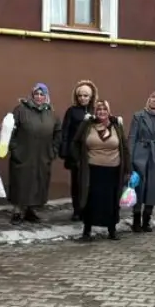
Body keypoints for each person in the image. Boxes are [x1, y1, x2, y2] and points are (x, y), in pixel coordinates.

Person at [68, 99, 132, 242]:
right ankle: (87, 231)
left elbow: (125, 148)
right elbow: (75, 143)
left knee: (111, 201)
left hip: (113, 171)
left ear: (109, 111)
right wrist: (79, 161)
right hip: (92, 170)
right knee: (90, 200)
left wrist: (128, 168)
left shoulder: (117, 125)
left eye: (104, 109)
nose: (101, 112)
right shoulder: (87, 125)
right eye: (99, 109)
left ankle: (112, 230)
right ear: (95, 112)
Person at [8, 83, 61, 225]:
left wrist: (53, 150)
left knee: (38, 182)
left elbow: (58, 133)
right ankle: (17, 212)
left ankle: (31, 211)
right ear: (32, 95)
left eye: (41, 94)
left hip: (43, 155)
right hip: (23, 154)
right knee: (21, 182)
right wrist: (14, 149)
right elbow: (10, 131)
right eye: (36, 94)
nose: (38, 97)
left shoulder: (51, 113)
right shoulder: (20, 110)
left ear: (46, 96)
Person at [128, 90, 155, 232]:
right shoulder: (138, 116)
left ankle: (147, 219)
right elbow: (132, 137)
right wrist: (130, 158)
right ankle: (136, 219)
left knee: (153, 187)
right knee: (138, 186)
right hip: (140, 153)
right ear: (148, 100)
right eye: (152, 97)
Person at [59, 80, 98, 221]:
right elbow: (65, 132)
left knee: (91, 182)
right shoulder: (72, 111)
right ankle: (77, 210)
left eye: (86, 96)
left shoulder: (96, 110)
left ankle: (89, 208)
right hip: (76, 152)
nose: (83, 98)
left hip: (93, 152)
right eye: (80, 95)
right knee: (76, 182)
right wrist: (66, 151)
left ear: (91, 96)